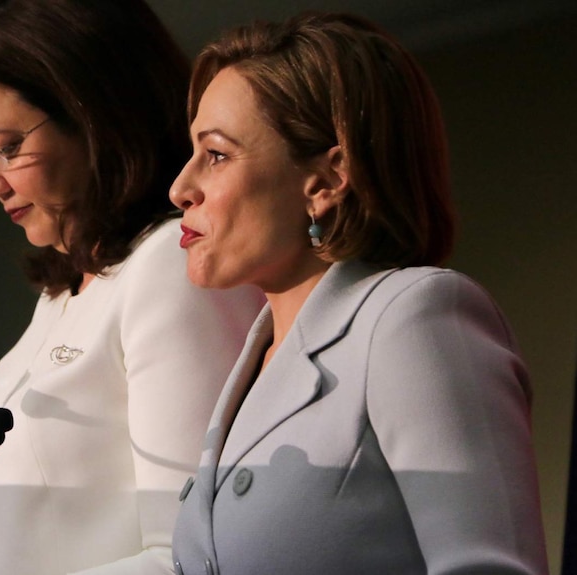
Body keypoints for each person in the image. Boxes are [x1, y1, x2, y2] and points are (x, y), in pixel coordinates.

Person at [168, 12, 549, 575]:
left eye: (217, 154)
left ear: (325, 182)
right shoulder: (251, 363)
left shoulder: (416, 316)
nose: (180, 188)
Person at [0, 1, 264, 574]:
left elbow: (189, 554)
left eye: (7, 147)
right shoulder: (64, 294)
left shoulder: (170, 265)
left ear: (95, 117)